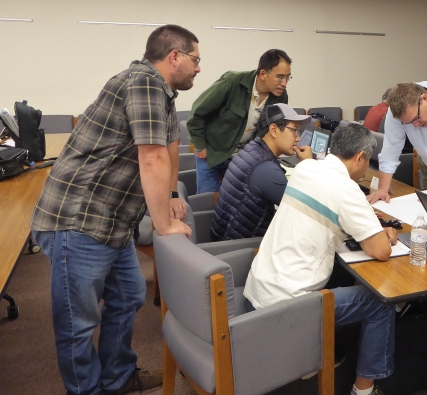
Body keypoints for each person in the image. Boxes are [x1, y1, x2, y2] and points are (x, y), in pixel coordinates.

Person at [30, 25, 199, 395]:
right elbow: (151, 157)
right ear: (174, 56)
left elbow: (168, 145)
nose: (198, 68)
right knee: (78, 322)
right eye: (195, 60)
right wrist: (163, 225)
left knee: (128, 295)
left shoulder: (163, 93)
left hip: (113, 221)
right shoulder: (143, 82)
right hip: (77, 218)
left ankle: (117, 378)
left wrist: (171, 193)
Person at [244, 123, 398, 395]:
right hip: (290, 305)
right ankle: (364, 390)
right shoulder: (347, 190)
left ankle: (324, 353)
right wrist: (384, 233)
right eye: (367, 162)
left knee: (343, 274)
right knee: (381, 302)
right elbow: (382, 251)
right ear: (360, 157)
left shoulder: (305, 168)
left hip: (259, 288)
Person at [187, 49, 292, 193]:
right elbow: (197, 113)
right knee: (208, 201)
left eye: (288, 77)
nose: (284, 83)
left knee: (236, 201)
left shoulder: (281, 96)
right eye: (280, 77)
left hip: (242, 158)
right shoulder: (232, 82)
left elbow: (271, 131)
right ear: (263, 74)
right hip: (212, 153)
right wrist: (199, 147)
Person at [210, 104, 312, 241]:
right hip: (241, 250)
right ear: (274, 130)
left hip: (226, 237)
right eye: (294, 130)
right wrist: (309, 164)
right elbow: (308, 209)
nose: (298, 138)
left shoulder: (252, 149)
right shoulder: (265, 169)